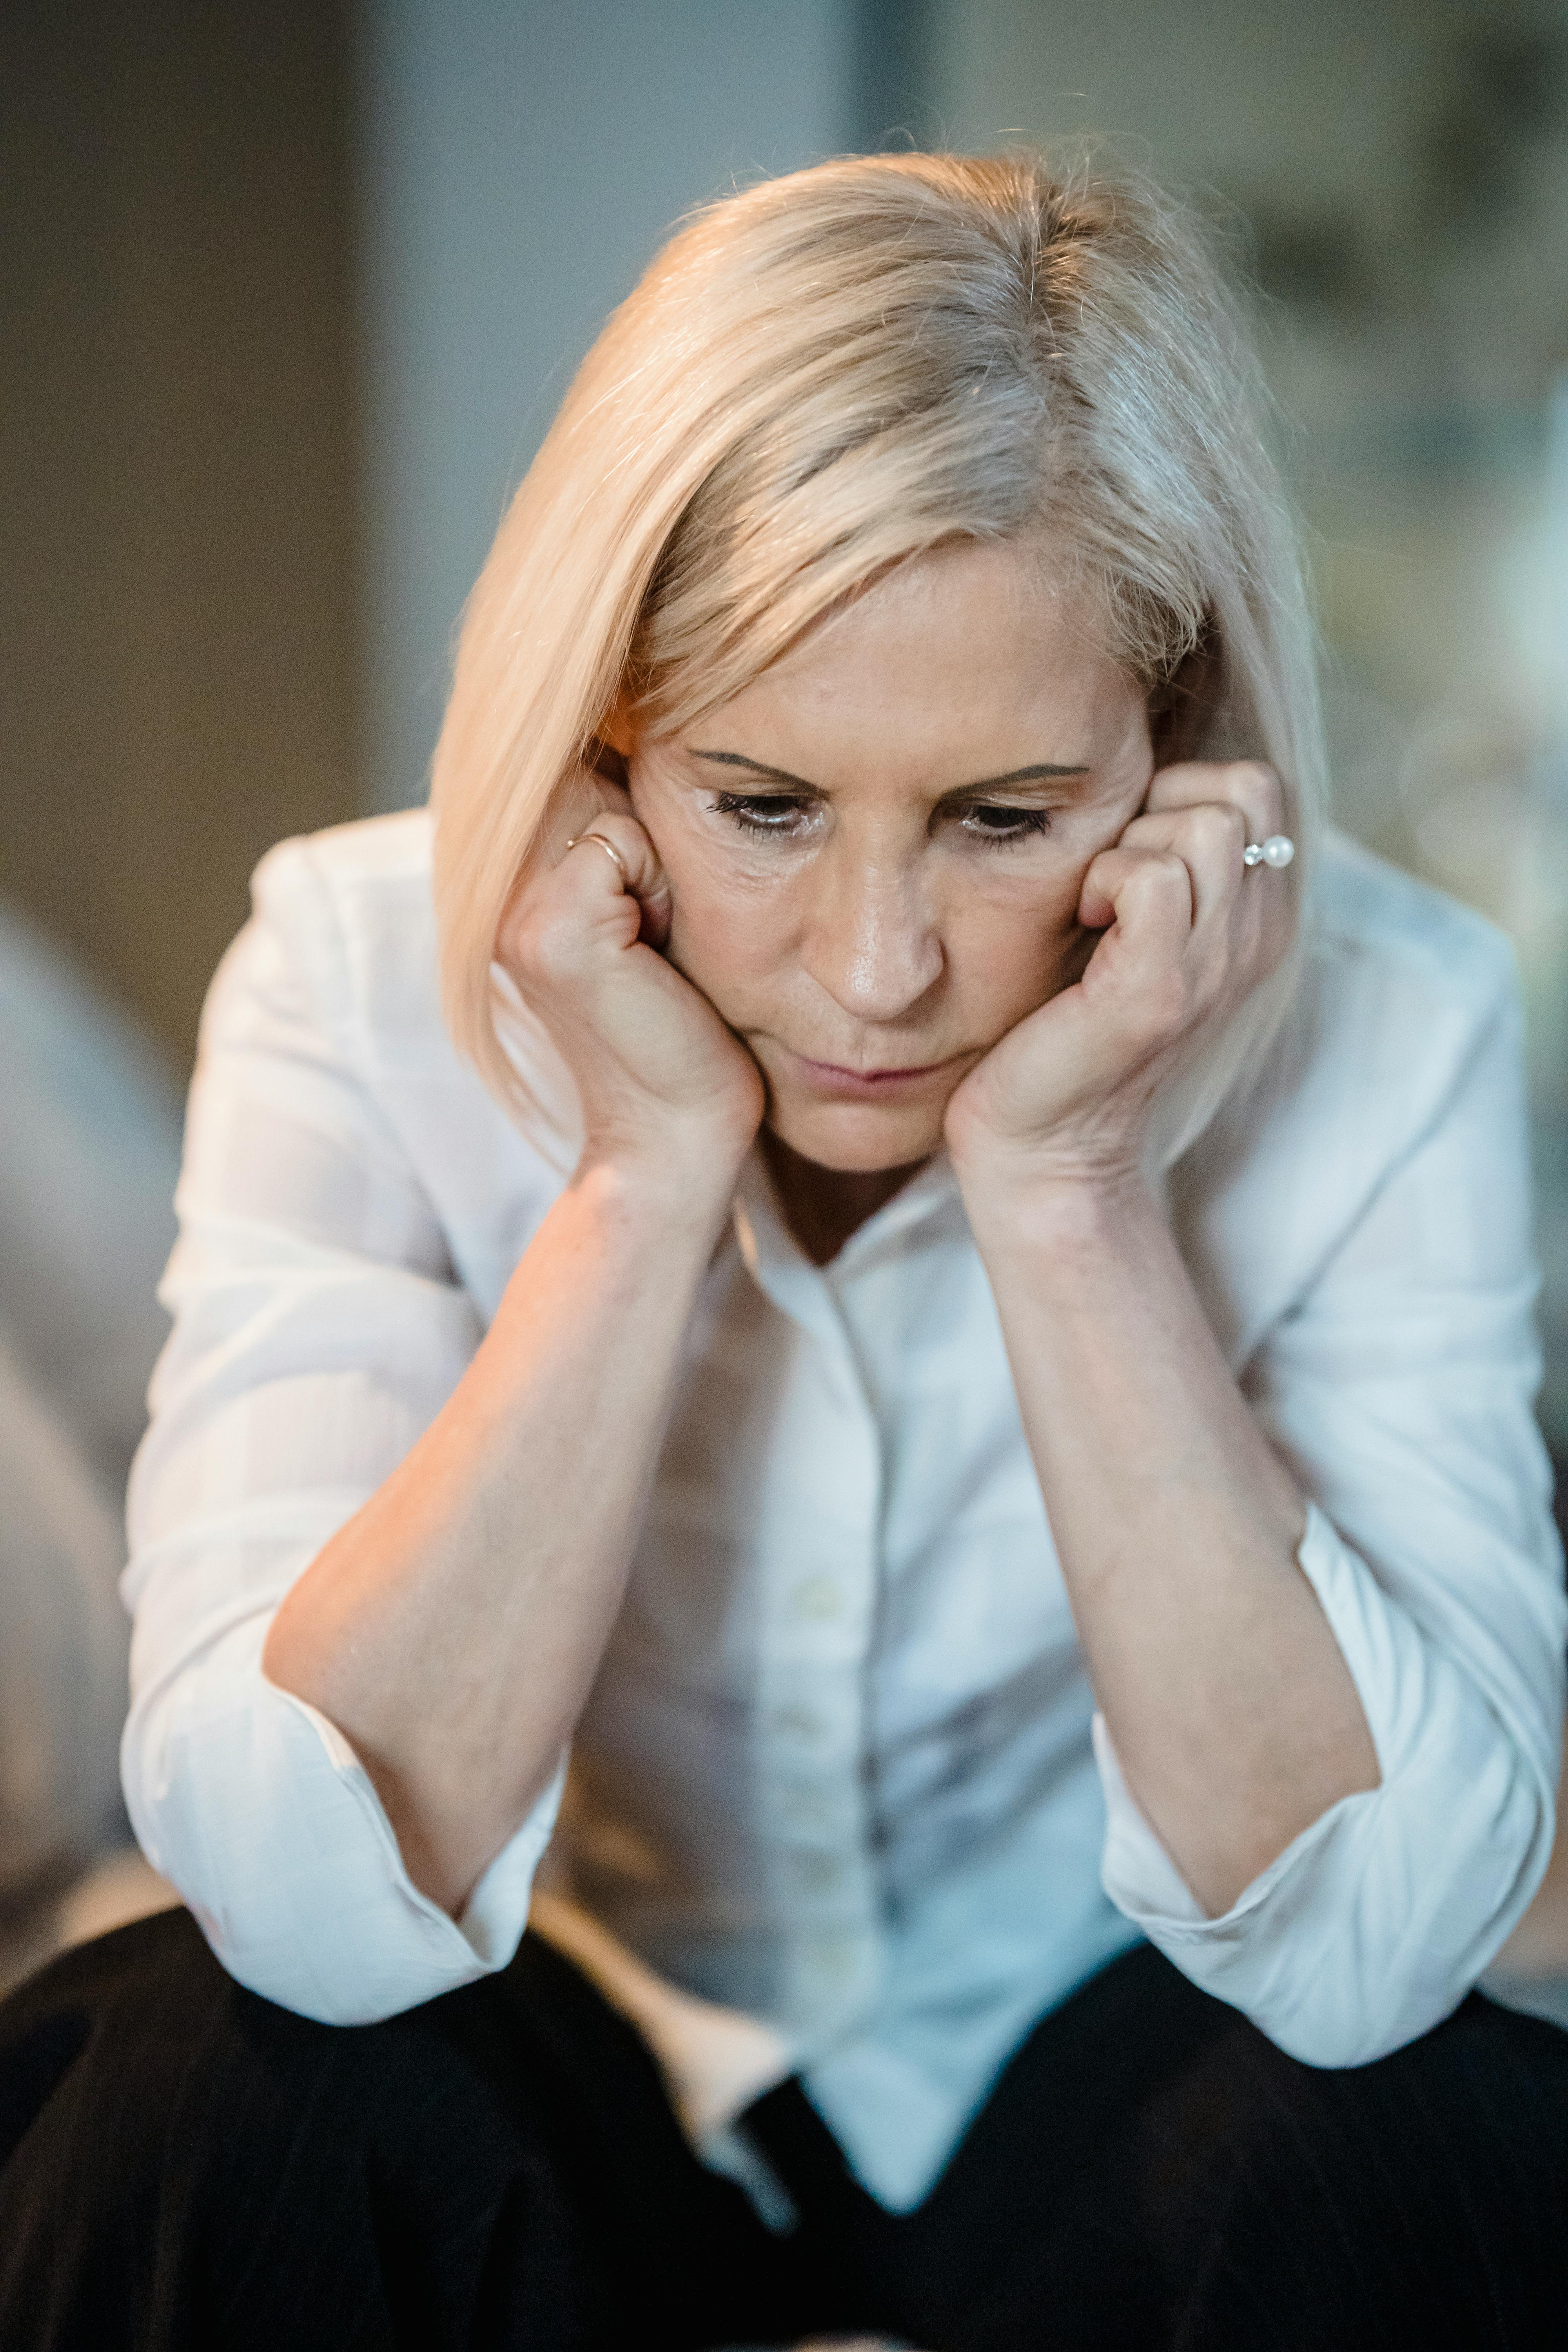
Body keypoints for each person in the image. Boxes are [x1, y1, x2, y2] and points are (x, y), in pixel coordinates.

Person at [2, 150, 1566, 2352]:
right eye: (761, 807)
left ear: (1180, 747)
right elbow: (301, 1904)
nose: (877, 971)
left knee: (1446, 2138)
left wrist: (1072, 1188)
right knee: (183, 2092)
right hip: (580, 2020)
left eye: (1008, 820)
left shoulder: (1393, 1023)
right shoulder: (351, 976)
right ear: (603, 734)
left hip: (1094, 2045)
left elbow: (1387, 1934)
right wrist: (642, 1179)